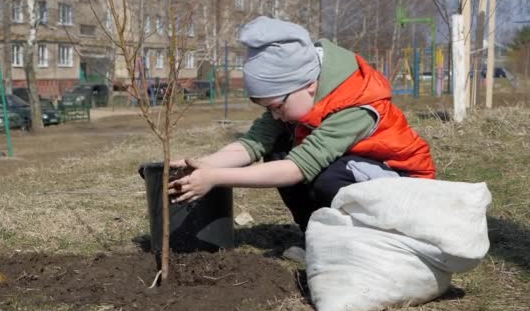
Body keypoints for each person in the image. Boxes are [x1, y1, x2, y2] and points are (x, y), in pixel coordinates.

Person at [168, 16, 435, 262]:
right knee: (278, 151)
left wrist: (216, 178)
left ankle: (365, 245)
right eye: (267, 108)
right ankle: (318, 239)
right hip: (357, 169)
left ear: (309, 85)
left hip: (405, 188)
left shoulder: (357, 105)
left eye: (276, 106)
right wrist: (203, 165)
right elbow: (252, 143)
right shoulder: (294, 96)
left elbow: (298, 168)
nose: (275, 115)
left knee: (326, 176)